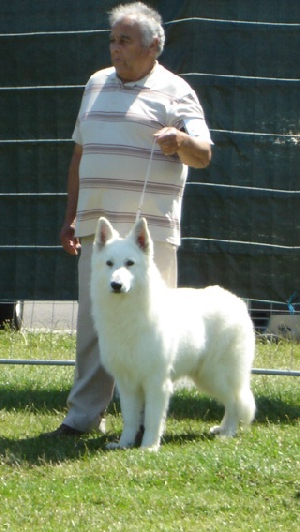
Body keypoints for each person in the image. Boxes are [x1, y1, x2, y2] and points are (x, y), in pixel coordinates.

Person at [48, 2, 212, 436]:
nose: (115, 49)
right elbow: (80, 155)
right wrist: (71, 217)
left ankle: (140, 425)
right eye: (112, 40)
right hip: (98, 234)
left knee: (149, 330)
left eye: (125, 41)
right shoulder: (95, 83)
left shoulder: (177, 91)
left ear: (153, 46)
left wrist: (180, 141)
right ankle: (83, 417)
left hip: (147, 237)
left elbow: (204, 153)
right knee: (94, 328)